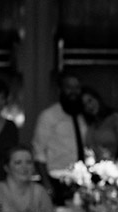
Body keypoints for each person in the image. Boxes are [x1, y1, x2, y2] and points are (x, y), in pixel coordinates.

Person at [32, 70, 88, 203]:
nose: (73, 91)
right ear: (60, 90)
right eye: (69, 88)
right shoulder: (48, 116)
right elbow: (38, 152)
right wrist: (46, 183)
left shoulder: (83, 115)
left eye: (77, 88)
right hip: (56, 179)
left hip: (81, 178)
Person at [81, 86, 118, 160]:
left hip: (115, 166)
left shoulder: (117, 118)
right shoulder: (90, 125)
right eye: (84, 105)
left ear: (97, 98)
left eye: (90, 101)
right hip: (95, 167)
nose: (89, 106)